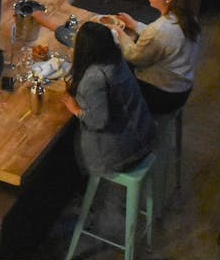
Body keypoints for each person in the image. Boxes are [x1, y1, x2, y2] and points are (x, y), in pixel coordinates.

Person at [60, 21, 156, 175]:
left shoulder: (93, 78)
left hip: (123, 153)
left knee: (64, 147)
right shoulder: (117, 59)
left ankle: (77, 187)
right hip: (144, 132)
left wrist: (76, 109)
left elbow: (98, 121)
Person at [111, 0, 200, 115]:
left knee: (110, 69)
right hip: (182, 87)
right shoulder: (188, 17)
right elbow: (162, 38)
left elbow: (135, 57)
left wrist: (119, 33)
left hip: (163, 95)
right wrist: (134, 24)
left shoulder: (160, 29)